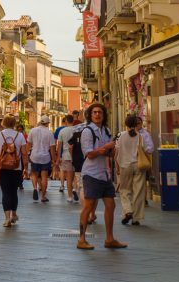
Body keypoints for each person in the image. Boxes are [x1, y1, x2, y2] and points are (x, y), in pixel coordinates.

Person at [75, 101, 125, 251]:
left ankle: (109, 239)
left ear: (104, 116)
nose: (97, 115)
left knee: (111, 205)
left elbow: (108, 152)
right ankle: (81, 239)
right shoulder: (87, 131)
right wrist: (105, 148)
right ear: (90, 115)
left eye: (100, 113)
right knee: (88, 206)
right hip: (91, 174)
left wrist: (112, 151)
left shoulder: (106, 130)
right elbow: (89, 154)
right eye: (94, 112)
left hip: (104, 174)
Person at [114, 113, 154, 226]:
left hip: (124, 166)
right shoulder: (140, 136)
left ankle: (128, 210)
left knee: (124, 191)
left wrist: (117, 167)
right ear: (136, 124)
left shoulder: (121, 136)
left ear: (125, 124)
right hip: (138, 166)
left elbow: (116, 153)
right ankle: (136, 218)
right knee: (138, 192)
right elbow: (148, 150)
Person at [0, 115, 28, 227]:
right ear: (14, 124)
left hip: (2, 168)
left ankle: (7, 218)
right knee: (13, 192)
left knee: (5, 192)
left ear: (3, 123)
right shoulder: (20, 135)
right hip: (16, 168)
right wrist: (26, 168)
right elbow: (24, 153)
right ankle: (14, 214)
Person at [27, 115, 55, 203]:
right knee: (44, 178)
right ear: (47, 123)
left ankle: (35, 188)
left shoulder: (33, 130)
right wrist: (54, 159)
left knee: (34, 174)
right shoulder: (49, 133)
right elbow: (52, 147)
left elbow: (29, 144)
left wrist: (27, 154)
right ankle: (43, 196)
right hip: (45, 157)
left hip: (34, 155)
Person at [56, 114, 79, 203]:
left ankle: (70, 196)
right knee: (76, 175)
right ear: (73, 121)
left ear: (66, 121)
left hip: (66, 156)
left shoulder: (62, 131)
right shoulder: (77, 130)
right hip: (76, 156)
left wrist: (58, 158)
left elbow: (59, 146)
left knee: (69, 177)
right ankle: (74, 189)